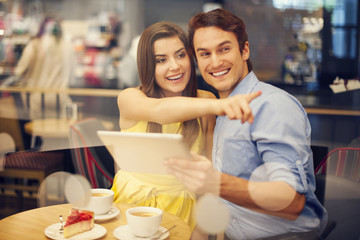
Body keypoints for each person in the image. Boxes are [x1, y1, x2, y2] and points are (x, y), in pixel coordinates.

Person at [164, 8, 328, 239]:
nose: (215, 61)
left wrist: (216, 183)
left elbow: (292, 201)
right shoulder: (221, 111)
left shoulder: (271, 105)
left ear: (244, 50)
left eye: (224, 49)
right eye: (205, 54)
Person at [110, 21, 260, 230]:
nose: (175, 66)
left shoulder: (206, 101)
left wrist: (200, 231)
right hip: (131, 207)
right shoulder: (130, 97)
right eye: (161, 60)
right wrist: (220, 105)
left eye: (181, 55)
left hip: (183, 211)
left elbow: (207, 182)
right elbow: (159, 112)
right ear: (147, 65)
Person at [14, 16, 74, 119]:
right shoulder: (67, 45)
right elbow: (72, 73)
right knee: (57, 129)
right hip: (60, 96)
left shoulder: (34, 44)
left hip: (38, 95)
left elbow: (20, 69)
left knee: (37, 130)